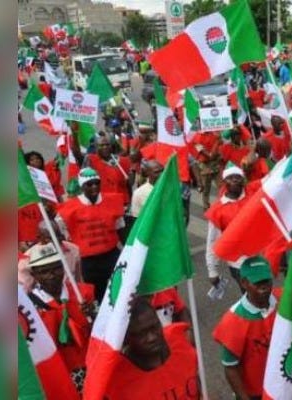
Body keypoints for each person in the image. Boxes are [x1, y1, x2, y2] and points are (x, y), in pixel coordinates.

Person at [26, 242, 96, 393]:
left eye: (56, 268)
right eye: (44, 271)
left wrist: (92, 315)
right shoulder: (29, 308)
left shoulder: (83, 294)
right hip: (59, 371)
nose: (52, 275)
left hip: (90, 365)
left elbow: (100, 332)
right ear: (34, 274)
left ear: (64, 266)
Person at [103, 296, 200, 399]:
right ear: (126, 337)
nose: (151, 337)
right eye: (141, 334)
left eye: (154, 327)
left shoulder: (181, 342)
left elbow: (196, 383)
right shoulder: (117, 379)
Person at [213, 256, 279, 400]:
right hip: (256, 394)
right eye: (257, 282)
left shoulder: (282, 300)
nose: (264, 287)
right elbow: (230, 368)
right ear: (244, 283)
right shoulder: (232, 321)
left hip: (282, 386)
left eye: (266, 281)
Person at [56, 168, 125, 303]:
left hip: (111, 255)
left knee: (117, 289)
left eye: (97, 183)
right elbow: (61, 231)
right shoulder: (69, 208)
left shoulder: (112, 201)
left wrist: (128, 249)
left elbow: (120, 228)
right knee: (95, 293)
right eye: (89, 184)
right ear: (82, 186)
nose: (94, 187)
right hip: (87, 261)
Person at [205, 163, 250, 290]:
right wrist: (212, 270)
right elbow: (213, 241)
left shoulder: (253, 199)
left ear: (243, 180)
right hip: (238, 263)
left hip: (259, 257)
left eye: (238, 177)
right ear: (225, 182)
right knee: (250, 295)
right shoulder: (217, 210)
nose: (234, 179)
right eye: (230, 177)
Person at [71, 132, 132, 206]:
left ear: (111, 146)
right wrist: (74, 133)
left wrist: (130, 202)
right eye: (101, 145)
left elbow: (128, 185)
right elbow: (77, 154)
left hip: (121, 205)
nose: (105, 147)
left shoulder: (122, 161)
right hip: (101, 204)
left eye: (107, 145)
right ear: (96, 147)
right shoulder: (91, 159)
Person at [189, 130, 222, 210]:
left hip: (216, 165)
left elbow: (221, 147)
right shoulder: (197, 137)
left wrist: (219, 140)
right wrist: (217, 142)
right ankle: (206, 207)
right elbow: (209, 155)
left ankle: (222, 205)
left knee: (222, 187)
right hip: (205, 166)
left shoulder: (215, 133)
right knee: (206, 189)